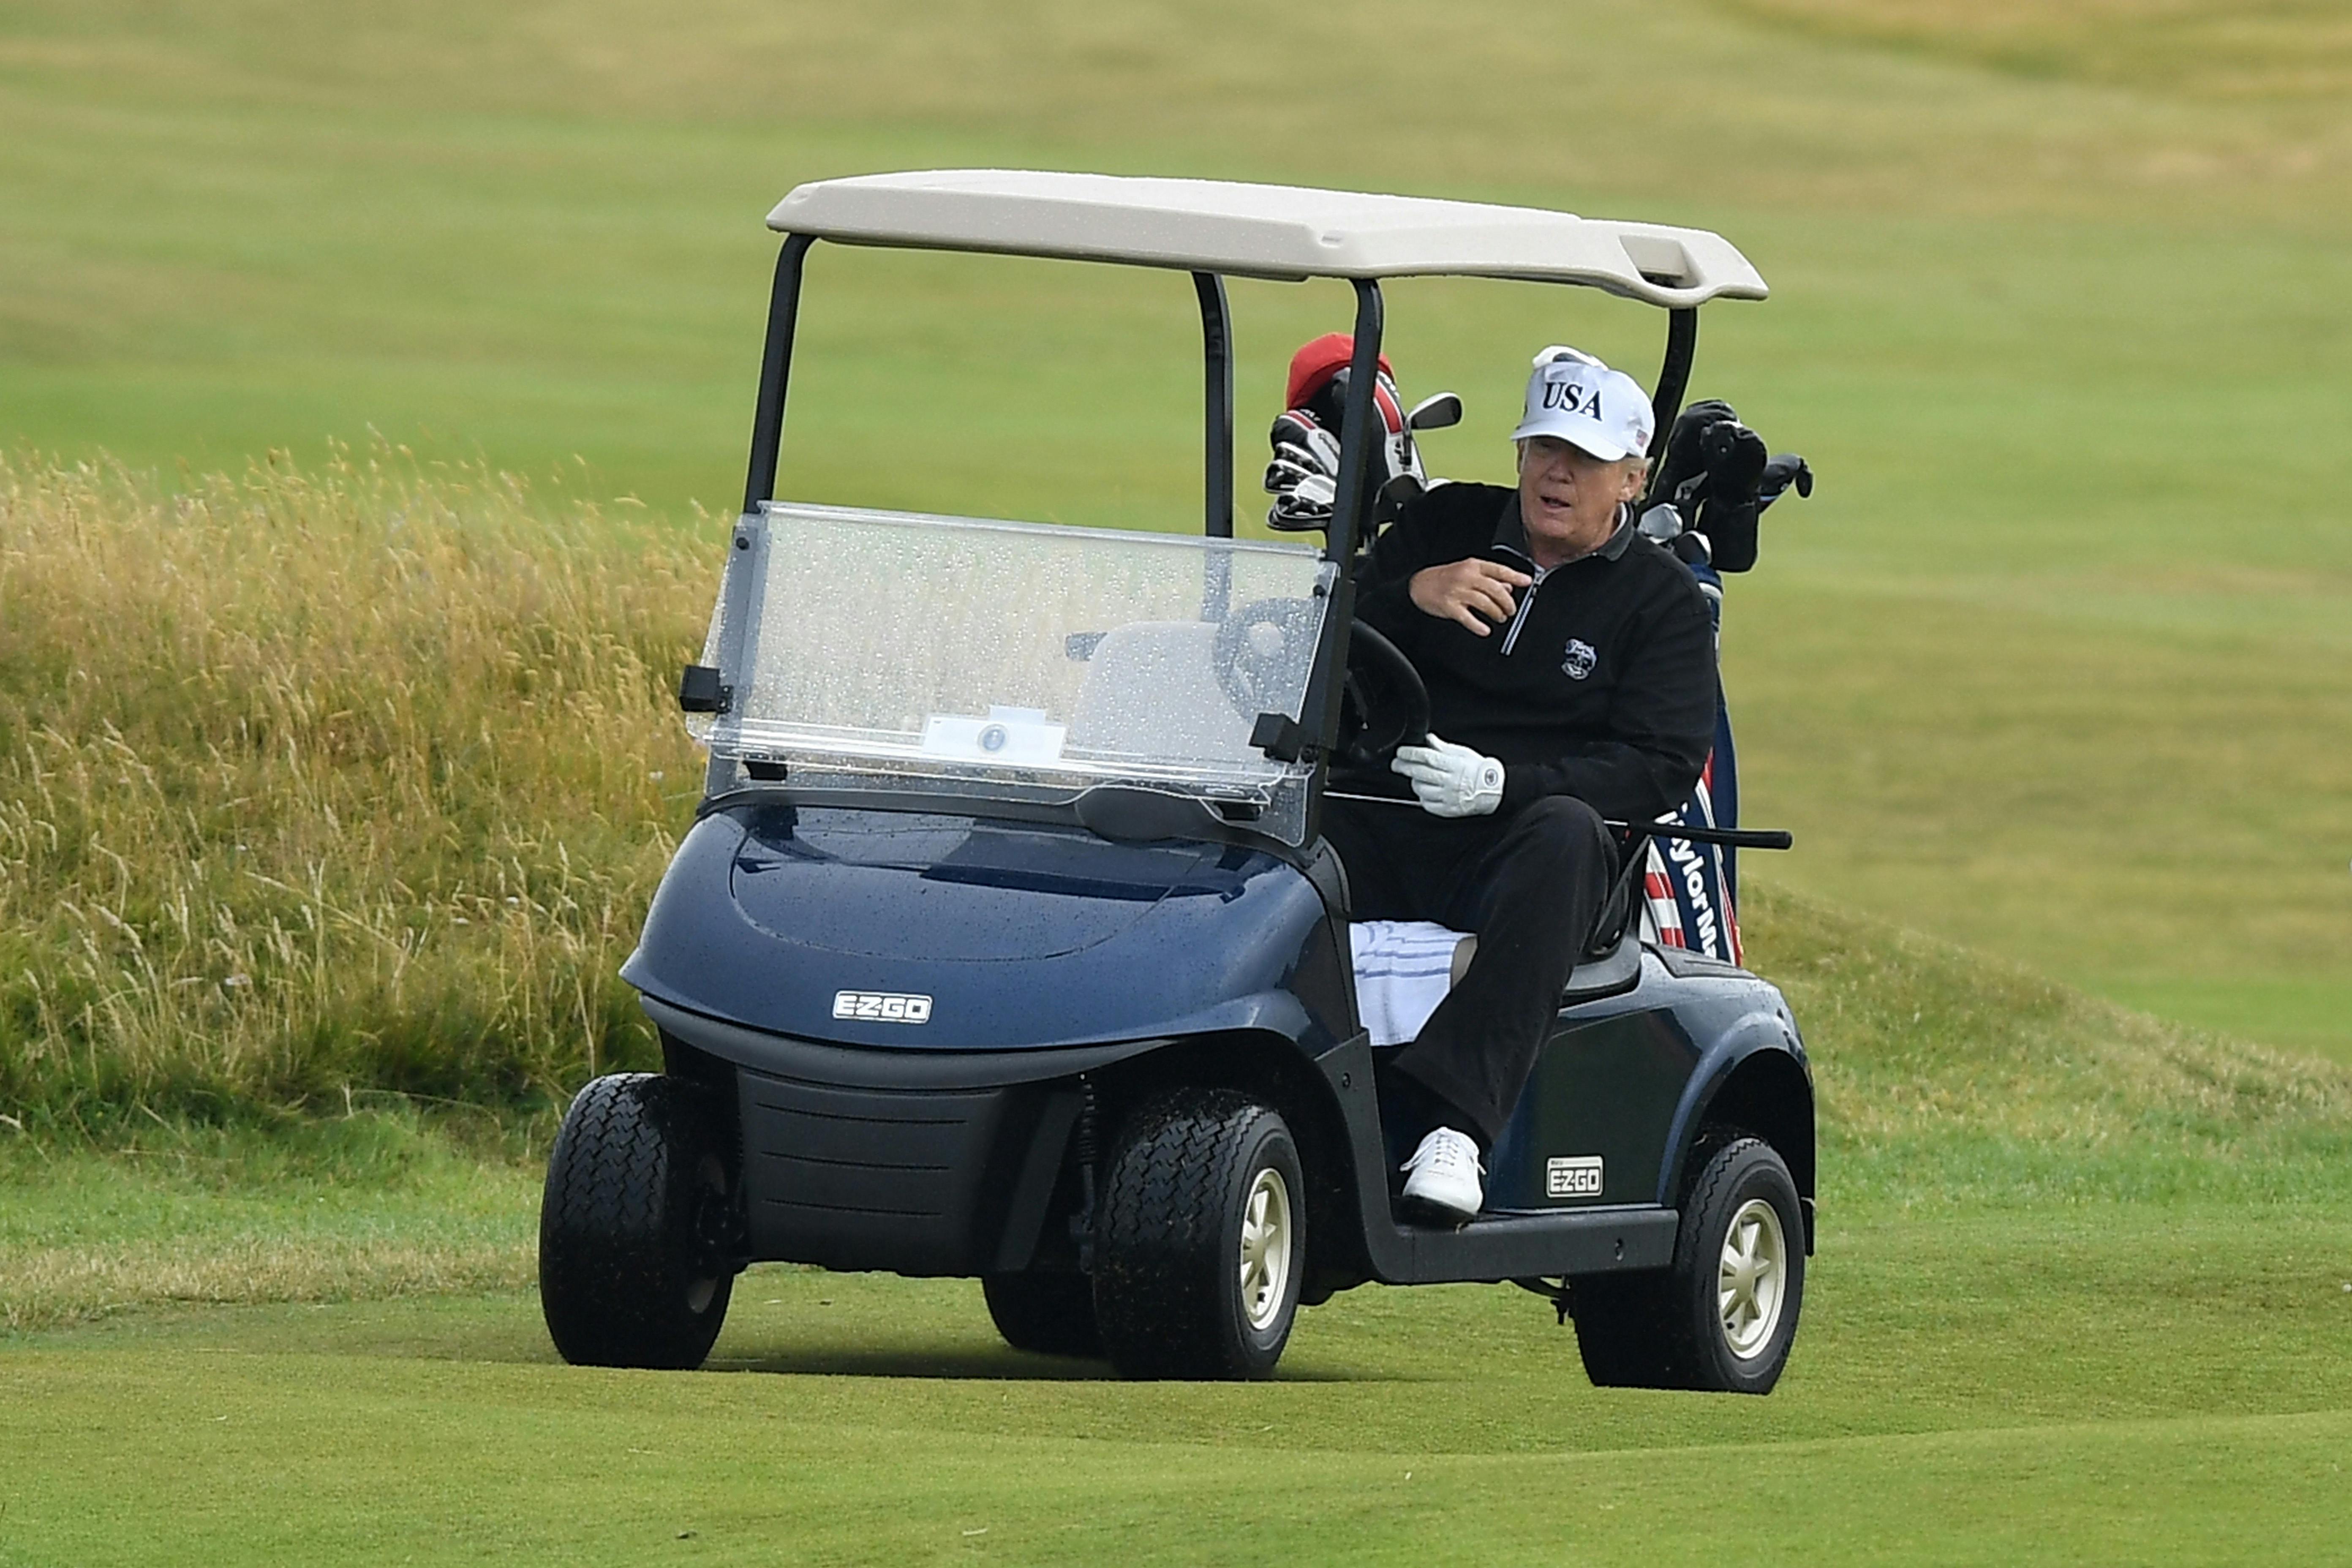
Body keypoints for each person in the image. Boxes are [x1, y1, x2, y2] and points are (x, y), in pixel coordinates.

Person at [1311, 346, 1720, 1222]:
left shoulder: (1662, 602)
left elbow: (1658, 764)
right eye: (1543, 448)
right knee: (1267, 824)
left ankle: (1453, 1127)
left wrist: (1506, 786)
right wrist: (1413, 594)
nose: (1556, 473)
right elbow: (1314, 645)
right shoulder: (1443, 526)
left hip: (1521, 852)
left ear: (1632, 478)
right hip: (1384, 812)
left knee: (1569, 833)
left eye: (1584, 458)